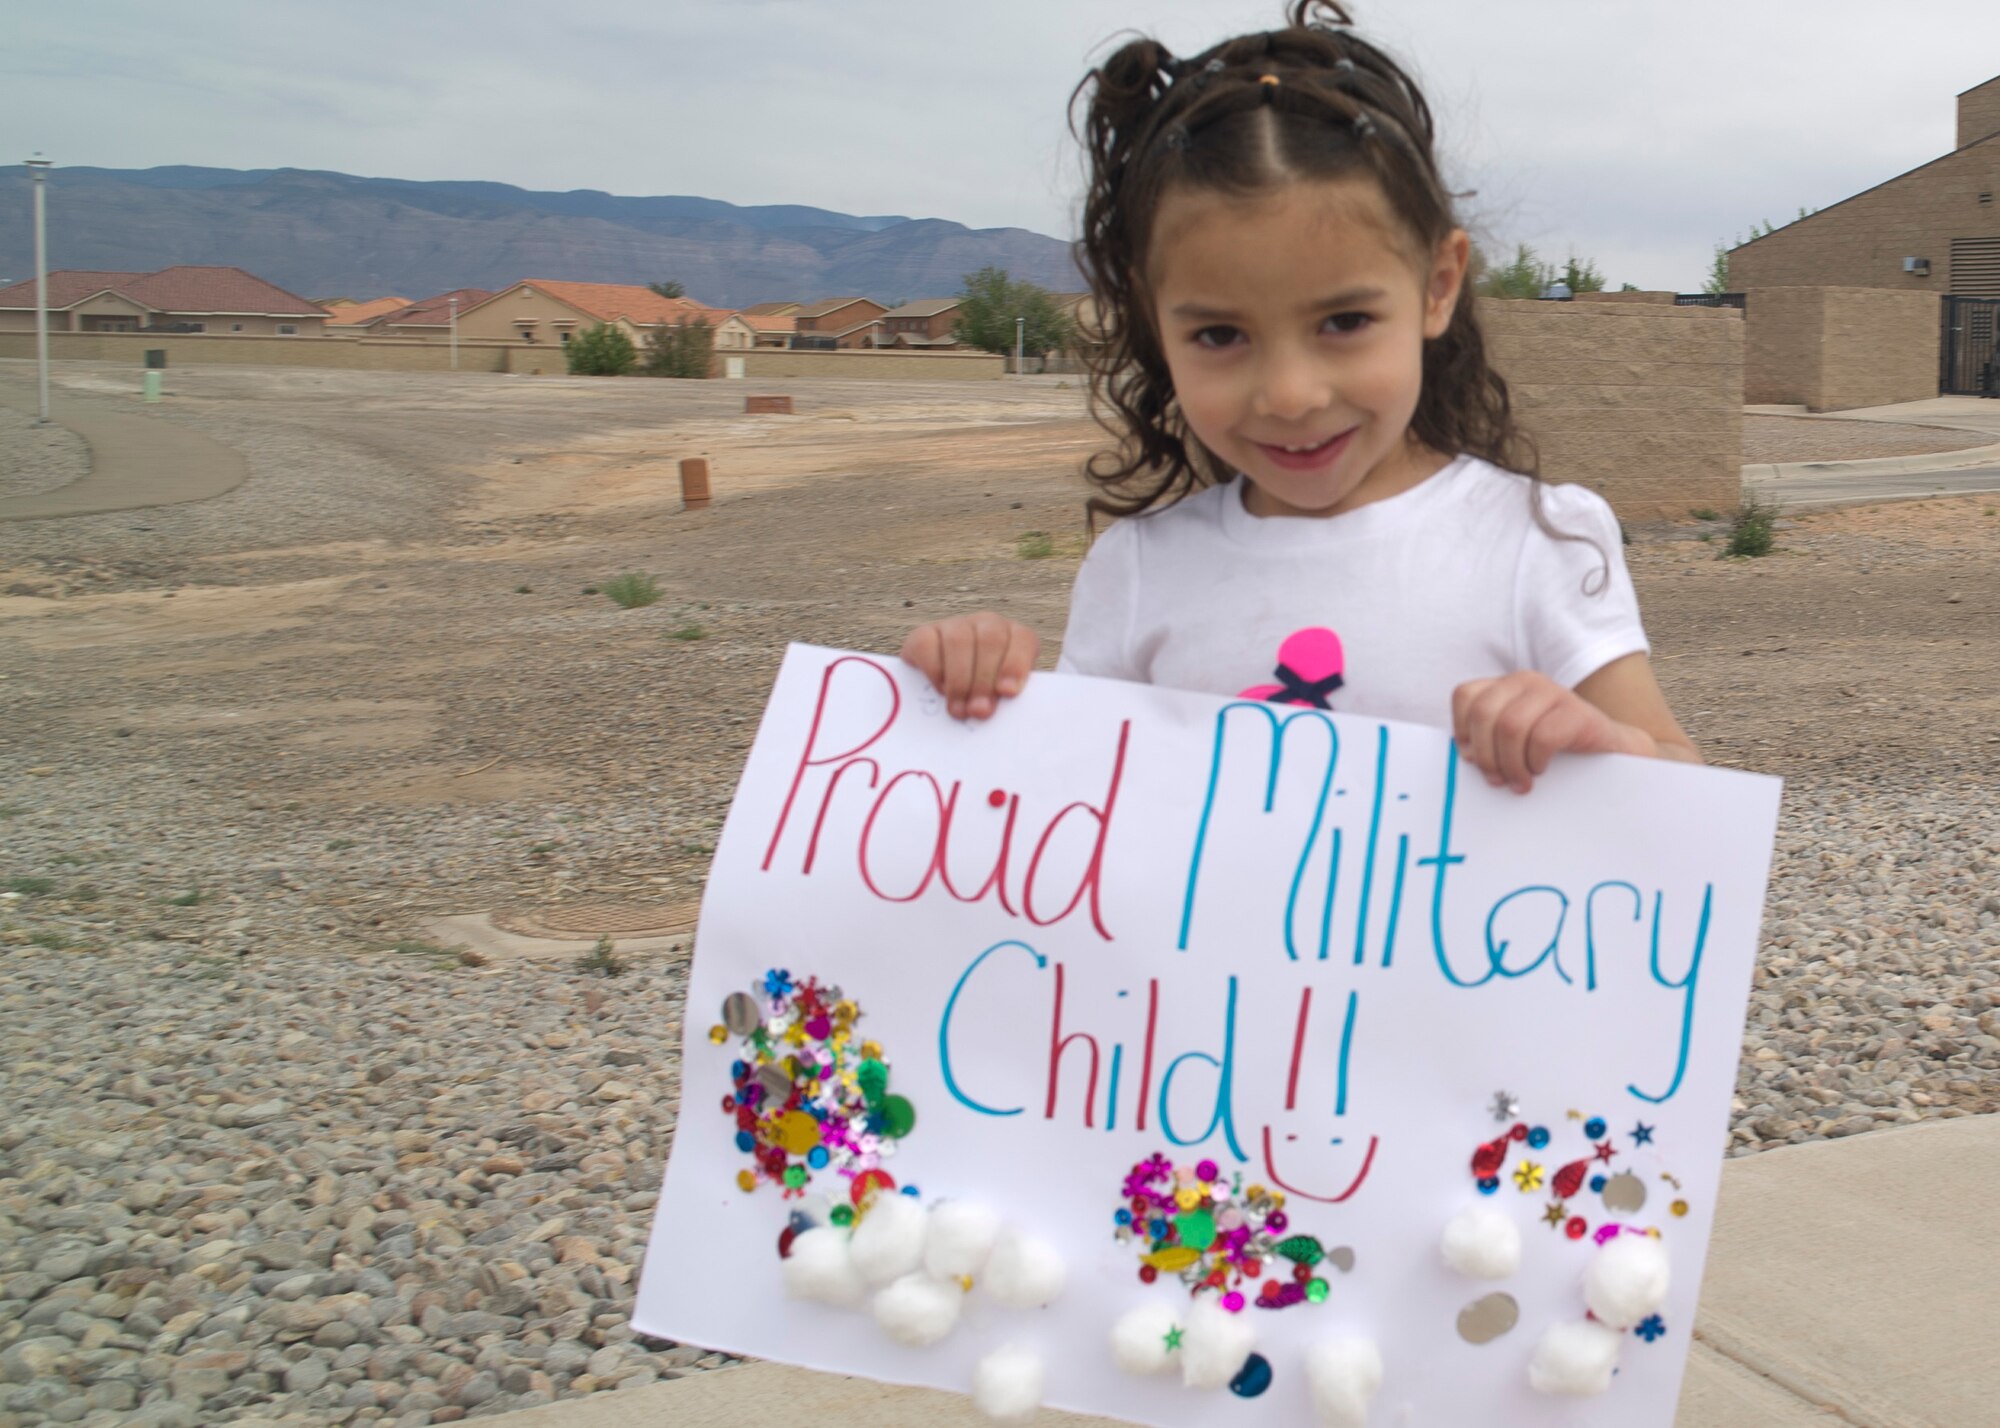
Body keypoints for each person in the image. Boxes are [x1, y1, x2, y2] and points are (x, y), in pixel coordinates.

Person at [900, 0, 1699, 794]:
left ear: (1438, 285)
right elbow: (1065, 808)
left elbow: (1686, 790)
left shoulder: (1539, 543)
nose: (1289, 395)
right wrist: (973, 699)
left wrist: (1606, 748)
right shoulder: (1138, 570)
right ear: (1153, 317)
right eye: (1220, 335)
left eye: (1344, 321)